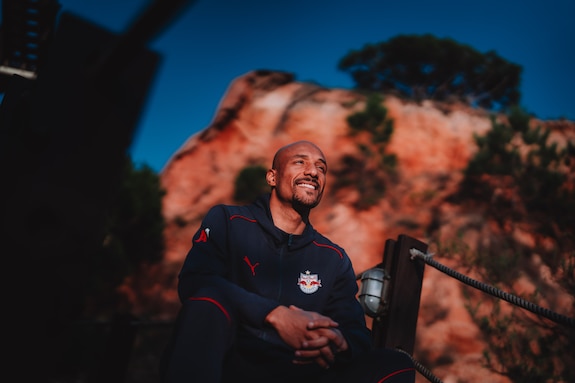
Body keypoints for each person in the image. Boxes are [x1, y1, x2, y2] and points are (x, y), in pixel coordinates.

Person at [160, 140, 415, 383]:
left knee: (395, 363)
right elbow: (195, 281)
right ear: (272, 177)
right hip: (232, 361)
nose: (313, 172)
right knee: (206, 304)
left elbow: (356, 331)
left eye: (321, 167)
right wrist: (274, 315)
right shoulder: (228, 221)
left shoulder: (333, 257)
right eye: (300, 162)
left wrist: (338, 340)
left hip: (301, 371)